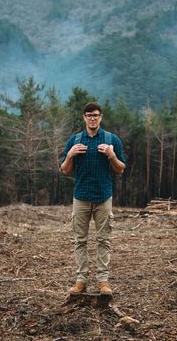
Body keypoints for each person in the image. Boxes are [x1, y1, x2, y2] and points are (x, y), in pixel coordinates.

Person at [60, 102, 126, 296]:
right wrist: (70, 155)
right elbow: (64, 170)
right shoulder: (75, 140)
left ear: (101, 117)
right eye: (89, 115)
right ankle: (81, 280)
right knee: (80, 240)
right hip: (80, 197)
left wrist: (112, 156)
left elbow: (121, 169)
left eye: (96, 115)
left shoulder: (111, 139)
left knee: (103, 240)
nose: (92, 118)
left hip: (103, 197)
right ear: (84, 117)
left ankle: (103, 281)